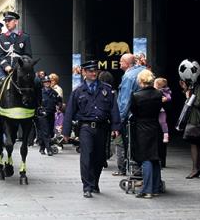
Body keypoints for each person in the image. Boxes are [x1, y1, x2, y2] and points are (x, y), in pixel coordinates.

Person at [62, 60, 120, 198]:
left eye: (95, 71)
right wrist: (66, 131)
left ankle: (95, 183)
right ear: (84, 72)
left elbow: (114, 109)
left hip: (102, 127)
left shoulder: (106, 89)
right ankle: (87, 186)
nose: (93, 73)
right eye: (90, 71)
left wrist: (115, 126)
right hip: (85, 128)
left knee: (99, 158)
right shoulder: (78, 91)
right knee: (86, 156)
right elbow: (69, 111)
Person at [0, 11, 45, 120]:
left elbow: (28, 54)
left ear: (16, 21)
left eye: (9, 21)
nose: (7, 23)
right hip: (5, 69)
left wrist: (21, 66)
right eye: (6, 21)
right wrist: (6, 66)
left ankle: (39, 107)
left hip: (21, 69)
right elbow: (0, 55)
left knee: (36, 82)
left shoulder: (24, 37)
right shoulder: (1, 38)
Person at [130, 69, 163, 199]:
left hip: (142, 128)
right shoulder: (158, 94)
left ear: (140, 81)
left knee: (146, 158)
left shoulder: (136, 95)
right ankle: (155, 188)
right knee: (155, 157)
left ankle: (147, 189)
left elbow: (134, 111)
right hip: (155, 126)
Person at [113, 53, 146, 176]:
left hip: (131, 117)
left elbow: (125, 101)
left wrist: (118, 120)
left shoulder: (128, 77)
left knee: (126, 143)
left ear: (127, 63)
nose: (119, 63)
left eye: (121, 61)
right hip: (146, 116)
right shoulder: (143, 71)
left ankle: (131, 169)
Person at [180, 71, 200, 179]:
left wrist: (188, 95)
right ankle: (197, 168)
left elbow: (198, 102)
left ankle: (195, 169)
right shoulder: (198, 85)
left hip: (196, 118)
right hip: (196, 117)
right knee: (197, 143)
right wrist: (186, 90)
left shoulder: (199, 86)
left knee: (194, 142)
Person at [38, 76, 61, 156]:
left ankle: (42, 147)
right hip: (43, 115)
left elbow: (59, 101)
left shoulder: (54, 92)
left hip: (51, 114)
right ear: (43, 83)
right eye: (45, 82)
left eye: (48, 82)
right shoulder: (40, 92)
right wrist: (39, 110)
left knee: (50, 132)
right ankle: (49, 149)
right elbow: (36, 103)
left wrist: (59, 107)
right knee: (46, 131)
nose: (47, 83)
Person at [154, 77, 172, 167]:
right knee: (161, 142)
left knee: (159, 140)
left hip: (160, 116)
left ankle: (160, 160)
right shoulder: (164, 92)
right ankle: (162, 160)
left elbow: (168, 99)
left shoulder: (162, 93)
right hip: (162, 116)